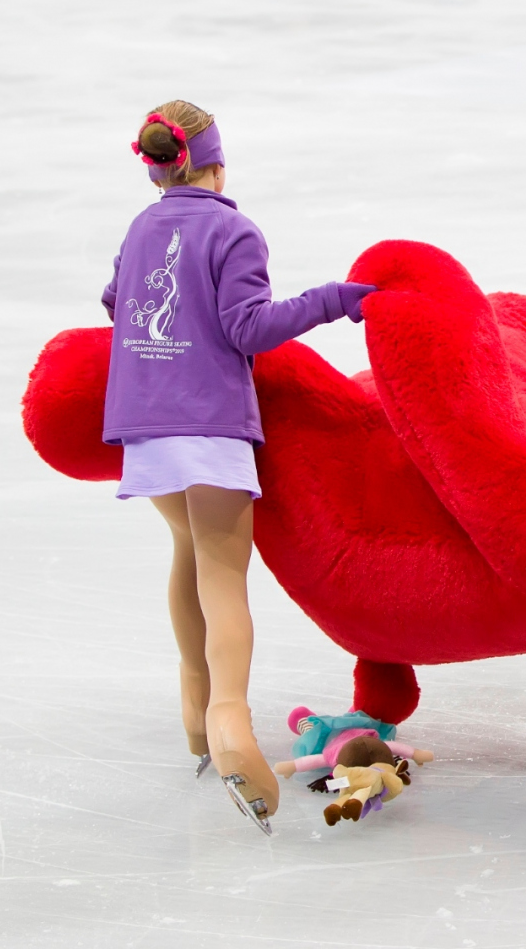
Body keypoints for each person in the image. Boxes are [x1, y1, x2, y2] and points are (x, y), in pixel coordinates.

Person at [101, 100, 374, 833]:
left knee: (188, 550)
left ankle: (195, 710)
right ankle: (229, 724)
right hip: (207, 423)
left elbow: (114, 299)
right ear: (216, 164)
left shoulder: (140, 226)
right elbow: (248, 326)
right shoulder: (231, 227)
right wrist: (336, 301)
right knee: (223, 575)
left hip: (142, 422)